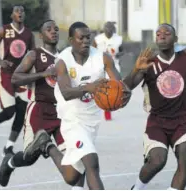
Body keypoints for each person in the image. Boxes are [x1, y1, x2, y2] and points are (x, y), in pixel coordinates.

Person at [23, 22, 131, 190]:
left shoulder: (103, 58)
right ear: (72, 40)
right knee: (91, 163)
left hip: (92, 121)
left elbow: (119, 85)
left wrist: (124, 93)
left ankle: (47, 145)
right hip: (71, 119)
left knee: (73, 176)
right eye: (81, 38)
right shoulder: (62, 61)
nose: (86, 41)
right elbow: (66, 92)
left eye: (88, 37)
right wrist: (89, 87)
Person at [125, 1, 186, 189]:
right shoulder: (148, 63)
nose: (162, 36)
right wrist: (135, 70)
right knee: (158, 160)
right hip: (157, 121)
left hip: (182, 120)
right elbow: (126, 88)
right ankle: (136, 187)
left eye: (167, 33)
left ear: (175, 38)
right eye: (159, 34)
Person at [0, 20, 85, 190]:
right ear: (41, 35)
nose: (54, 31)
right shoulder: (34, 54)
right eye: (49, 29)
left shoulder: (66, 57)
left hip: (61, 112)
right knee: (30, 157)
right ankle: (9, 163)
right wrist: (43, 73)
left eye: (56, 29)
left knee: (76, 157)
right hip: (38, 109)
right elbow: (15, 78)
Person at [0, 5, 35, 156]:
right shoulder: (3, 30)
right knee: (9, 111)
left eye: (22, 10)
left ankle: (8, 147)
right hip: (5, 74)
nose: (20, 13)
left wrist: (32, 75)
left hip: (21, 75)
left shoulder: (28, 33)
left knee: (21, 112)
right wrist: (0, 62)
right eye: (17, 11)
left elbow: (33, 55)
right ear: (12, 15)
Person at [92, 21, 123, 121]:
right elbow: (91, 50)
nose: (108, 31)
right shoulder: (98, 39)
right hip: (99, 66)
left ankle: (110, 106)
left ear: (113, 30)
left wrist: (119, 54)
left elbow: (123, 50)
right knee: (99, 87)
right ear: (104, 29)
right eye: (106, 29)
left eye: (110, 29)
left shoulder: (118, 39)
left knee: (113, 87)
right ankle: (98, 107)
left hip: (113, 66)